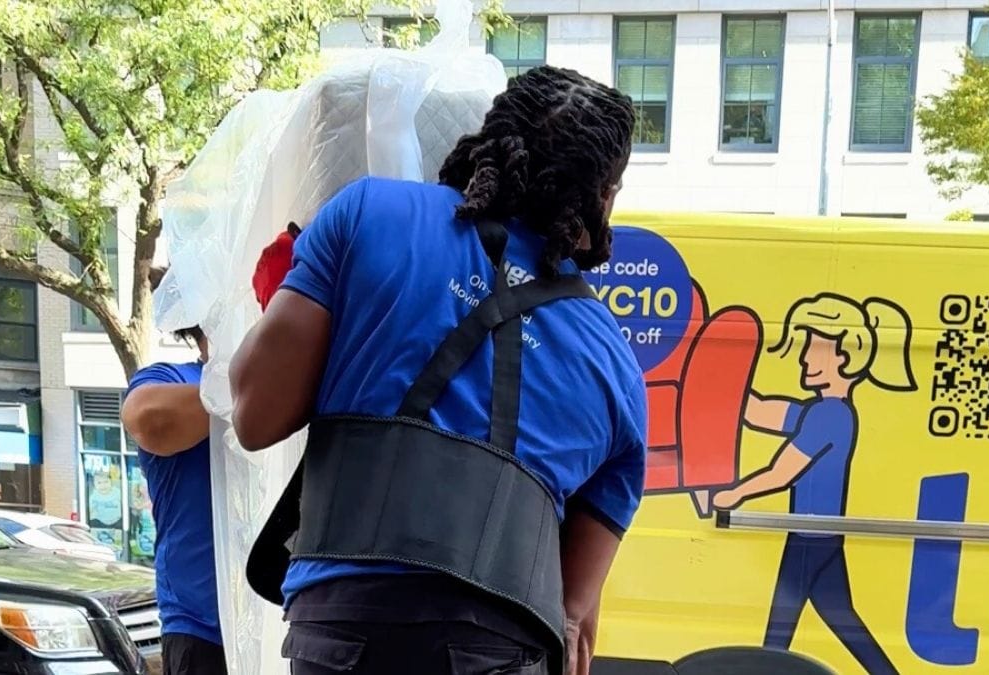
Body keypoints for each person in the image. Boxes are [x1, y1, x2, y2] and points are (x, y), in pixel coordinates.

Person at [231, 66, 644, 675]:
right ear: (602, 198)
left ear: (490, 139)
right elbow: (573, 623)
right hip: (495, 650)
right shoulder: (615, 364)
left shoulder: (367, 214)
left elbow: (255, 416)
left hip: (342, 629)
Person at [712, 293, 917, 675]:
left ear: (845, 358)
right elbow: (757, 411)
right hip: (820, 536)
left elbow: (782, 472)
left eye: (814, 347)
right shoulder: (819, 411)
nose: (805, 357)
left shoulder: (830, 416)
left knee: (778, 636)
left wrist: (735, 492)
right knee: (843, 621)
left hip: (809, 538)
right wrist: (722, 375)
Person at [121, 279, 223, 675]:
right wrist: (243, 386)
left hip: (282, 614)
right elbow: (147, 418)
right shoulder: (173, 378)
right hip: (200, 625)